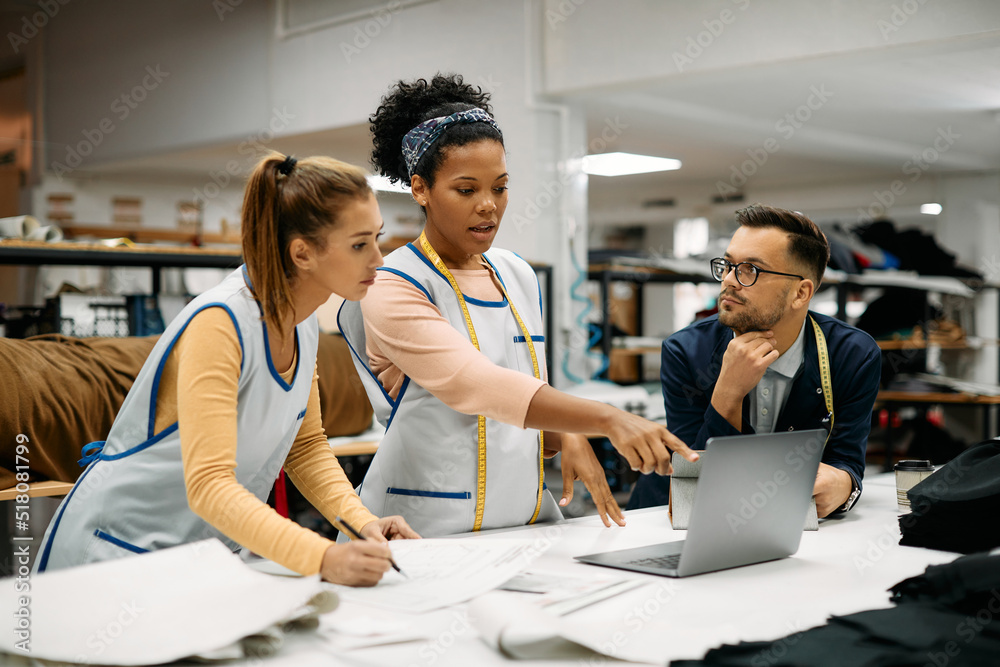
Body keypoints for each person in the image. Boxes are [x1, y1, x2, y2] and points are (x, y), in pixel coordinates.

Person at [338, 73, 697, 538]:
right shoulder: (393, 283)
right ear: (421, 188)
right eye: (466, 190)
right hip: (424, 525)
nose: (488, 206)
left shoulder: (517, 273)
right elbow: (476, 385)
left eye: (500, 187)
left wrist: (563, 433)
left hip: (521, 518)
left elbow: (526, 386)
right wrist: (606, 419)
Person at [37, 153, 418, 585]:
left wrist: (360, 523)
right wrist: (322, 558)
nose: (379, 259)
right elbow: (210, 485)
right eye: (360, 244)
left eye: (377, 238)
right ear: (303, 253)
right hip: (113, 557)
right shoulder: (220, 323)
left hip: (194, 560)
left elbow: (306, 446)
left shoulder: (303, 323)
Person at [628, 204, 881, 517]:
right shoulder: (686, 351)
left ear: (801, 293)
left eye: (751, 270)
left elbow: (848, 461)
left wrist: (844, 485)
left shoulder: (852, 355)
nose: (729, 281)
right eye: (729, 265)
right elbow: (693, 478)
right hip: (665, 520)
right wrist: (727, 393)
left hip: (783, 522)